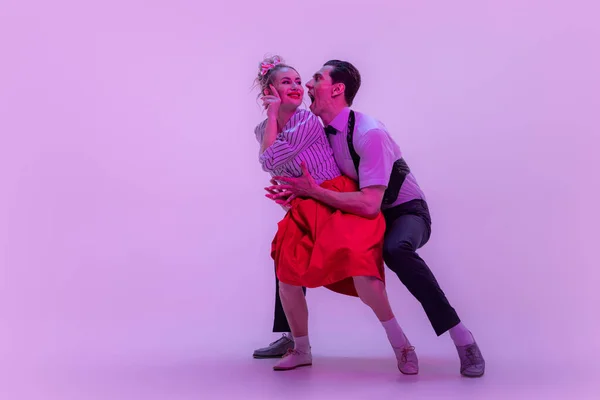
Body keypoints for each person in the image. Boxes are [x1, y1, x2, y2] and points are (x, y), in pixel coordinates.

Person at [263, 59, 486, 378]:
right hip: (354, 206)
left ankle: (463, 339)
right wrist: (295, 198)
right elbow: (289, 165)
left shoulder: (369, 132)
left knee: (396, 249)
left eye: (315, 79)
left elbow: (369, 204)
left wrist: (312, 191)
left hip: (403, 210)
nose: (307, 86)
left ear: (337, 89)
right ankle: (294, 340)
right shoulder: (317, 131)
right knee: (293, 241)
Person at [252, 55, 418, 373]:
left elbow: (270, 160)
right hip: (304, 205)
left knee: (365, 277)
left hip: (337, 197)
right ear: (269, 90)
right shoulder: (262, 128)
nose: (297, 87)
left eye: (299, 81)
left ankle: (402, 345)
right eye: (286, 82)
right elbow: (277, 170)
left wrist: (274, 116)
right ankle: (301, 349)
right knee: (287, 276)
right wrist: (288, 196)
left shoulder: (307, 121)